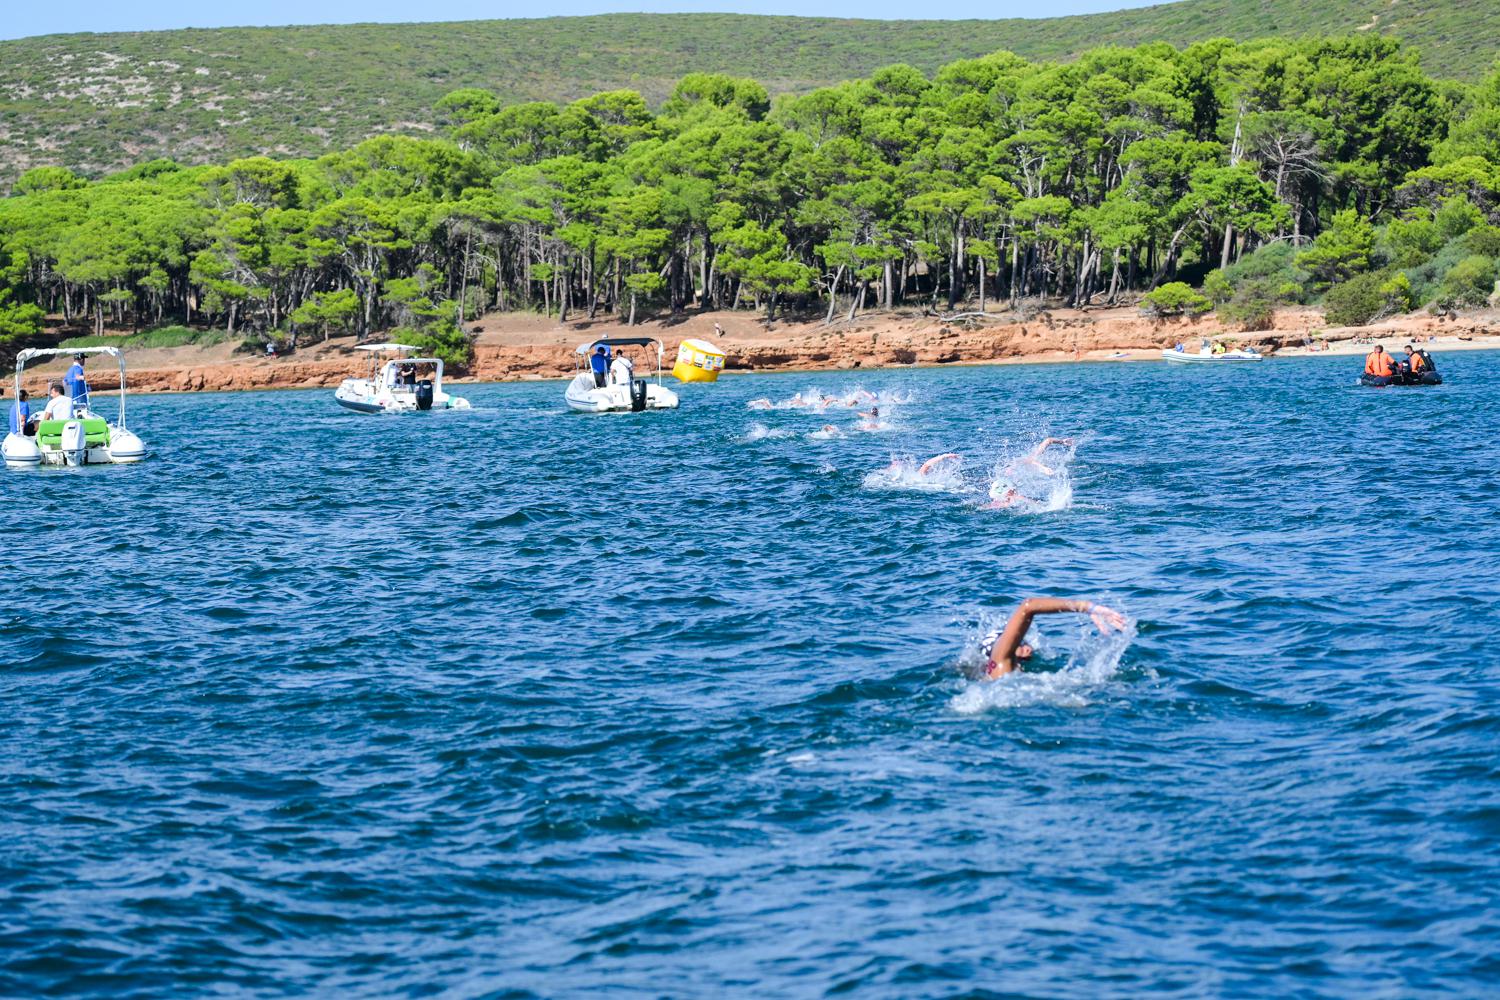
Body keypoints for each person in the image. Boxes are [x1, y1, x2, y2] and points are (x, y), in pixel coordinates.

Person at [980, 597, 1128, 679]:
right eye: (1018, 643)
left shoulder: (993, 675)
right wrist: (1086, 607)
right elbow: (1028, 606)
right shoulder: (1001, 661)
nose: (1027, 646)